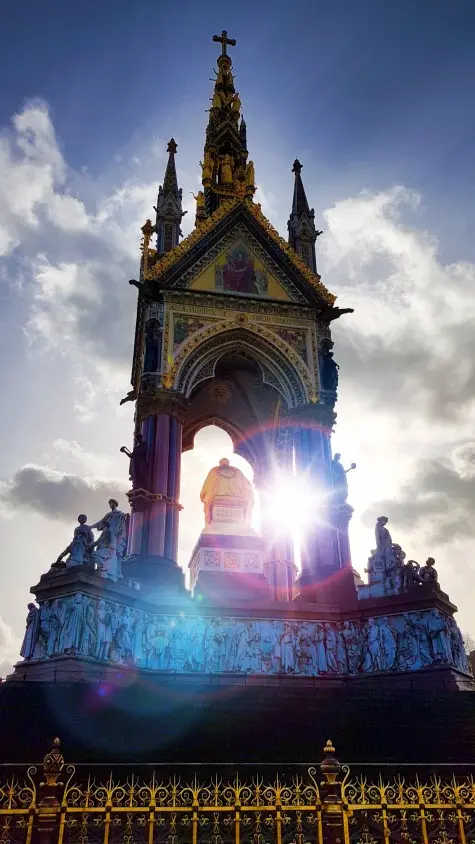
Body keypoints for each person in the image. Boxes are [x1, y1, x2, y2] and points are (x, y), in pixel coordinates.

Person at [200, 458, 254, 526]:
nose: (224, 464)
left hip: (233, 499)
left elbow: (207, 484)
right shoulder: (215, 471)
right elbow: (209, 483)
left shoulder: (236, 471)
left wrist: (203, 495)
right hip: (221, 499)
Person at [91, 499, 128, 580]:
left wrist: (115, 533)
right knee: (100, 549)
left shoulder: (120, 514)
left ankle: (116, 571)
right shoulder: (108, 515)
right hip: (107, 535)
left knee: (117, 553)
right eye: (109, 504)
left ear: (115, 504)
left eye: (112, 504)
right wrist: (90, 527)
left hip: (115, 536)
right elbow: (100, 522)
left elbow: (121, 526)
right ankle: (102, 568)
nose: (110, 505)